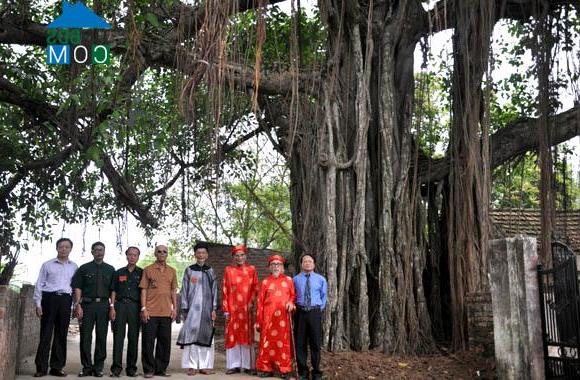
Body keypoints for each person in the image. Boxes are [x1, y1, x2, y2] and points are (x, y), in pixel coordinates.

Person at [32, 237, 78, 377]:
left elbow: (75, 287)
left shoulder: (74, 266)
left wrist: (75, 305)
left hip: (65, 300)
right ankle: (41, 367)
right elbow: (39, 284)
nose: (64, 249)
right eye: (61, 246)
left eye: (67, 247)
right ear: (57, 248)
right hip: (49, 299)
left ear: (70, 249)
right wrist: (38, 304)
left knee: (61, 334)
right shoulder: (47, 265)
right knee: (45, 333)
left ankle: (57, 367)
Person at [71, 241, 115, 377]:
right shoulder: (84, 268)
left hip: (103, 306)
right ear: (92, 252)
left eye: (101, 250)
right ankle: (86, 367)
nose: (99, 252)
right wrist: (77, 305)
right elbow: (77, 287)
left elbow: (113, 290)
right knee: (85, 337)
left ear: (104, 251)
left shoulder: (110, 269)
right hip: (87, 306)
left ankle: (98, 368)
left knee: (101, 337)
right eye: (96, 250)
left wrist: (112, 307)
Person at [177, 242, 218, 376]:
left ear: (207, 255)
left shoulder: (210, 271)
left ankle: (205, 366)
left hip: (207, 310)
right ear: (195, 254)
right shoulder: (190, 270)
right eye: (198, 252)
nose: (201, 255)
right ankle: (192, 366)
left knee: (206, 337)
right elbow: (184, 290)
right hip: (192, 311)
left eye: (203, 253)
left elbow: (215, 291)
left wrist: (214, 308)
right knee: (191, 338)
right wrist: (184, 309)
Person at [140, 244, 178, 378]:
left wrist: (175, 308)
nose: (162, 253)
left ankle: (161, 369)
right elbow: (143, 289)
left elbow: (173, 290)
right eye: (159, 251)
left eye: (165, 252)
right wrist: (143, 308)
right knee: (148, 342)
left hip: (166, 313)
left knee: (164, 342)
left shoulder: (172, 271)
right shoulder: (148, 270)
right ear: (155, 254)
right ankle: (149, 369)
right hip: (150, 312)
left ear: (167, 254)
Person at [256, 255, 296, 380]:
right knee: (267, 343)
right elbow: (260, 302)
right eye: (273, 264)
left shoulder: (289, 280)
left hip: (283, 319)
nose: (276, 266)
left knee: (283, 343)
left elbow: (293, 296)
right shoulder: (265, 282)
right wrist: (259, 320)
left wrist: (291, 303)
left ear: (282, 267)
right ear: (269, 267)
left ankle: (284, 369)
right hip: (268, 317)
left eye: (278, 264)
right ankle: (266, 368)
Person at [222, 245, 259, 375]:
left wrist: (251, 302)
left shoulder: (251, 270)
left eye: (242, 255)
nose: (239, 258)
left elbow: (255, 288)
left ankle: (248, 365)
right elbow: (225, 290)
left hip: (246, 308)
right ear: (233, 257)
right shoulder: (228, 270)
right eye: (237, 255)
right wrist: (226, 309)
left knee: (247, 336)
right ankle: (233, 365)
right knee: (233, 335)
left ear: (246, 256)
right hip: (232, 308)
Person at [109, 246, 143, 377]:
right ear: (126, 256)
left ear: (138, 257)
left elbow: (144, 292)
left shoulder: (142, 273)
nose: (132, 257)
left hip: (135, 307)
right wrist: (112, 307)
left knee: (133, 338)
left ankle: (131, 369)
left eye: (135, 255)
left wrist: (143, 309)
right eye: (130, 254)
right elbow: (113, 291)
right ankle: (116, 369)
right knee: (118, 338)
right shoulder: (118, 272)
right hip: (120, 306)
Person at [293, 254, 327, 380]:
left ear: (314, 264)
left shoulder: (321, 279)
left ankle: (316, 372)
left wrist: (318, 310)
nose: (307, 263)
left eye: (310, 261)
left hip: (314, 313)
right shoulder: (295, 279)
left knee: (315, 343)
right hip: (300, 313)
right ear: (301, 264)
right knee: (300, 343)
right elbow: (293, 295)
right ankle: (303, 372)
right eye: (305, 261)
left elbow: (324, 296)